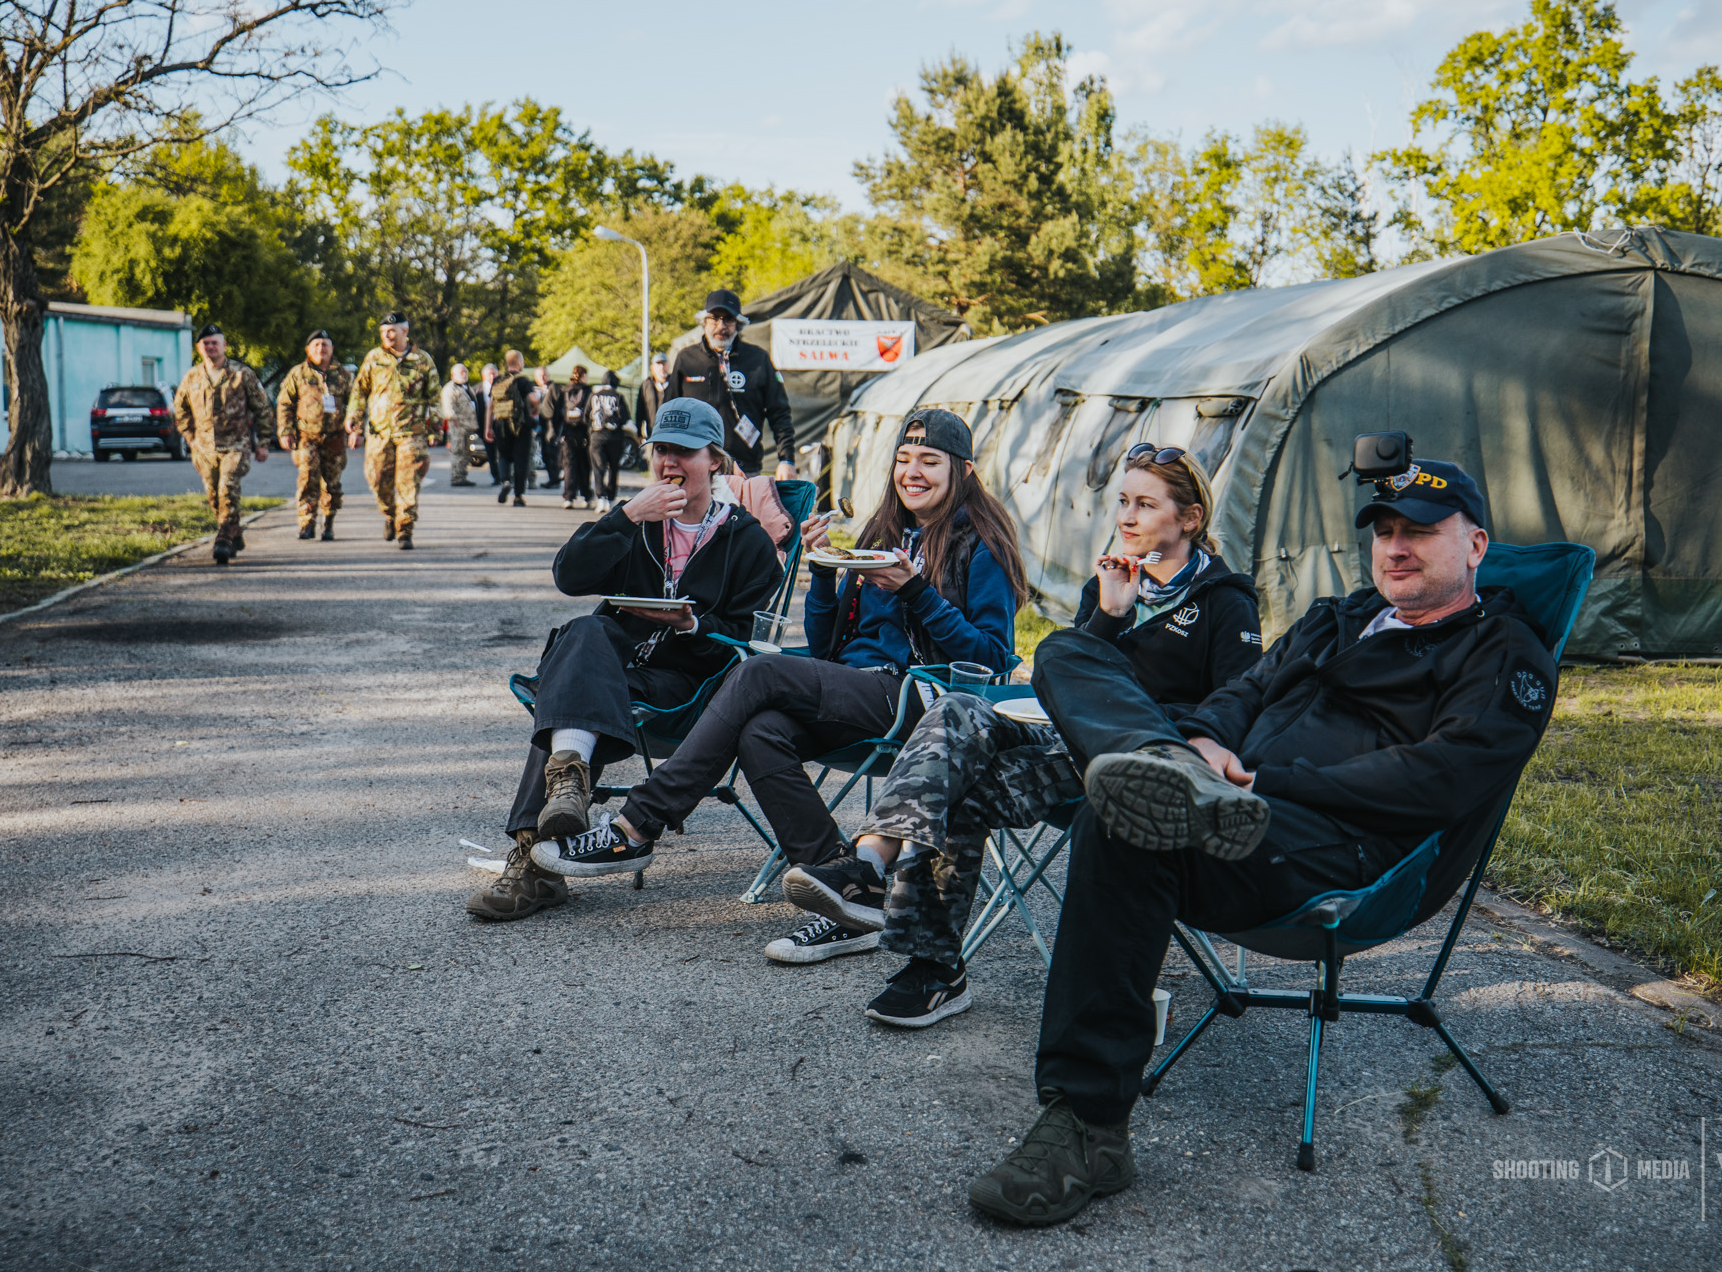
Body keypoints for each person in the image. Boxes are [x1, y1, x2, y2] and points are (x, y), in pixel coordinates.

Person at [964, 459, 1560, 1227]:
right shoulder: (1336, 616)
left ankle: (1087, 1125)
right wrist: (1206, 737)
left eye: (1419, 530)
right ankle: (1168, 767)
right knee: (1067, 655)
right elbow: (1243, 690)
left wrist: (1264, 779)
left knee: (1117, 824)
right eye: (1384, 530)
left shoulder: (1503, 651)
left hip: (1342, 845)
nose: (1395, 545)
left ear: (1475, 544)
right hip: (1230, 801)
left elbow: (1438, 777)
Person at [771, 446, 1263, 1024]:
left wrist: (1112, 638)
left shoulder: (1227, 602)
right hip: (1068, 741)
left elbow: (1232, 708)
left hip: (1139, 763)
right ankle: (874, 873)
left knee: (965, 787)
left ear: (1189, 519)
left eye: (1146, 505)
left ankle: (929, 960)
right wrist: (1107, 616)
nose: (1126, 517)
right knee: (958, 710)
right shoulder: (1107, 583)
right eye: (1123, 501)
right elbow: (1070, 686)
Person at [533, 409, 1022, 896]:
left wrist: (916, 592)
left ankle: (635, 826)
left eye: (930, 461)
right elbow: (830, 644)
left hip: (923, 698)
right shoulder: (884, 534)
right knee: (760, 731)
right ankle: (846, 880)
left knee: (759, 673)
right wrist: (826, 574)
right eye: (903, 459)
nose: (912, 473)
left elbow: (993, 656)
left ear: (964, 470)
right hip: (859, 687)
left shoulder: (981, 544)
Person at [467, 398, 784, 921]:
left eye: (684, 452)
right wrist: (628, 514)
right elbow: (569, 575)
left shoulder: (746, 540)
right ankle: (566, 782)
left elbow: (749, 642)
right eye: (661, 450)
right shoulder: (638, 520)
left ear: (716, 460)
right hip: (609, 668)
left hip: (682, 686)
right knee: (586, 631)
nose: (669, 464)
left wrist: (693, 625)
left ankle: (533, 867)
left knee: (565, 691)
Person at [172, 324, 273, 565]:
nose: (210, 347)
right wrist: (190, 437)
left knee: (227, 487)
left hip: (236, 445)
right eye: (205, 343)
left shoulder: (241, 373)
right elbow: (180, 410)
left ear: (224, 346)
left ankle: (223, 540)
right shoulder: (192, 376)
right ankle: (234, 532)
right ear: (199, 348)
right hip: (204, 449)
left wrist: (264, 442)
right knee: (214, 496)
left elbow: (262, 408)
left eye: (214, 342)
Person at [666, 290, 795, 479]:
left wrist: (787, 459)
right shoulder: (686, 359)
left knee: (743, 509)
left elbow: (780, 413)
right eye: (714, 318)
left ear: (738, 324)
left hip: (744, 469)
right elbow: (669, 412)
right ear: (704, 321)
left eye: (728, 319)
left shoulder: (758, 359)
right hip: (694, 467)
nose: (721, 325)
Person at [345, 312, 437, 550]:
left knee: (408, 483)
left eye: (391, 331)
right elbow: (359, 392)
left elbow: (434, 395)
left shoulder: (422, 360)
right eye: (383, 331)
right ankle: (390, 513)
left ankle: (405, 530)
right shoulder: (374, 358)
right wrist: (354, 424)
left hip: (412, 433)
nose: (386, 335)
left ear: (404, 332)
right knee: (377, 479)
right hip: (379, 433)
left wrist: (436, 427)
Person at [275, 329, 352, 540]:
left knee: (331, 482)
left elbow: (356, 404)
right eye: (316, 345)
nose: (321, 349)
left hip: (335, 437)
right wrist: (285, 432)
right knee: (307, 478)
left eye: (325, 345)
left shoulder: (344, 375)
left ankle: (328, 521)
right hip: (306, 437)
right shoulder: (298, 374)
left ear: (332, 349)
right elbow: (285, 404)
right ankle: (306, 522)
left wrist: (357, 431)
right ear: (308, 349)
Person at [488, 350, 539, 507]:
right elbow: (534, 398)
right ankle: (518, 496)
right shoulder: (523, 380)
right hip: (520, 425)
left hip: (500, 424)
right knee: (520, 459)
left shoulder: (497, 380)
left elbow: (490, 406)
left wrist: (487, 427)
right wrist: (536, 409)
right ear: (518, 363)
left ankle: (505, 481)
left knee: (503, 456)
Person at [587, 369, 629, 513]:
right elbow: (625, 416)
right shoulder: (618, 396)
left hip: (597, 437)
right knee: (613, 468)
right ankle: (611, 498)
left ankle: (600, 497)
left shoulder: (594, 396)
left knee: (598, 468)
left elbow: (586, 415)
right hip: (615, 438)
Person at [559, 363, 593, 508]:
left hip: (567, 433)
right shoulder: (587, 391)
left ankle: (569, 496)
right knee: (584, 465)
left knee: (569, 465)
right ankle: (586, 495)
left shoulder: (565, 390)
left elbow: (559, 412)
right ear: (584, 376)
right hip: (583, 433)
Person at [441, 363, 478, 486]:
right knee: (458, 451)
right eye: (461, 372)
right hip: (458, 426)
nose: (464, 374)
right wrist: (455, 420)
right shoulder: (450, 389)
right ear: (453, 375)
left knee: (467, 452)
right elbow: (448, 408)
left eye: (465, 372)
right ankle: (456, 477)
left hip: (468, 426)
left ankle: (462, 476)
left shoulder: (467, 388)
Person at [532, 366, 563, 489]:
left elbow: (559, 408)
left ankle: (555, 479)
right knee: (546, 454)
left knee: (552, 454)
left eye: (544, 375)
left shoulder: (554, 388)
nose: (542, 378)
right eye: (539, 376)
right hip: (543, 427)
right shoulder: (538, 390)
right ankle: (552, 478)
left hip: (552, 427)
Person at [634, 351, 672, 437]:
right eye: (658, 364)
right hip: (653, 433)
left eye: (664, 363)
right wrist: (639, 433)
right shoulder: (646, 385)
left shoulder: (675, 382)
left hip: (672, 433)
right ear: (652, 367)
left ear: (668, 365)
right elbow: (640, 411)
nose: (662, 367)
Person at [478, 362, 502, 486]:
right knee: (491, 452)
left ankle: (504, 475)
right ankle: (496, 476)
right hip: (484, 426)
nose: (492, 376)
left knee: (501, 451)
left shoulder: (503, 387)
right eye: (490, 374)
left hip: (500, 424)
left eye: (494, 373)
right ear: (484, 376)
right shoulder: (477, 390)